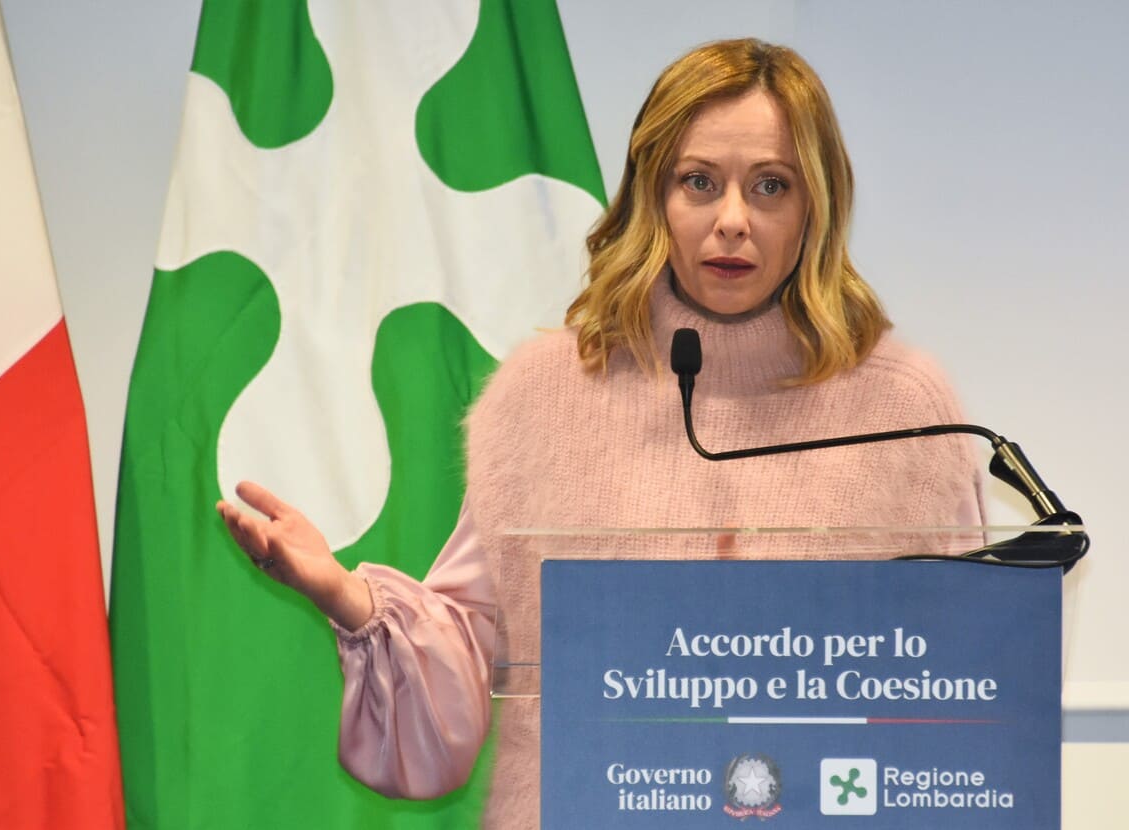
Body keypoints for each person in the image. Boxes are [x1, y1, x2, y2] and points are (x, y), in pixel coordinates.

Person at [217, 38, 983, 828]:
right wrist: (348, 597)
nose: (732, 221)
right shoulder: (544, 393)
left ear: (815, 205)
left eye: (770, 186)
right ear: (653, 196)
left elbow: (960, 691)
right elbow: (457, 679)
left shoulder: (906, 409)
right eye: (698, 182)